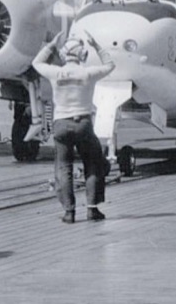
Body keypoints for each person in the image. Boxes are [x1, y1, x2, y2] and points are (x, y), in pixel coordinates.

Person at [32, 31, 115, 223]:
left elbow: (36, 63)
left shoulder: (55, 73)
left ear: (63, 55)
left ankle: (69, 212)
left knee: (63, 167)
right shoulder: (88, 73)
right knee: (93, 164)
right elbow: (110, 65)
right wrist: (97, 45)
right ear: (82, 55)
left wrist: (51, 45)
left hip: (61, 124)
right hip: (83, 123)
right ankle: (93, 209)